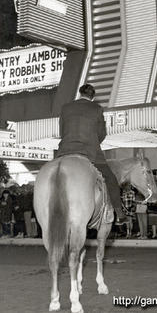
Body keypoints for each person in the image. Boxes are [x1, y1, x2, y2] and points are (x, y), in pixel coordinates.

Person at [57, 84, 127, 225]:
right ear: (93, 96)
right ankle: (119, 213)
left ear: (80, 93)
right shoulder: (96, 109)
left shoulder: (66, 108)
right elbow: (101, 134)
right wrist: (94, 141)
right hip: (90, 153)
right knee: (111, 179)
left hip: (64, 151)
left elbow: (62, 132)